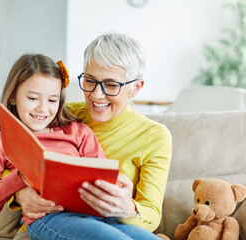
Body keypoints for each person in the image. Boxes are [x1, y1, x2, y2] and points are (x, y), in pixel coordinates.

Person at [12, 33, 172, 240]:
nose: (96, 95)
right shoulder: (61, 114)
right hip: (50, 220)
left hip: (109, 222)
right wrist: (20, 194)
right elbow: (9, 154)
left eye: (111, 85)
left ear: (135, 88)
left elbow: (152, 215)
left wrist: (127, 209)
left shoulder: (154, 136)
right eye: (90, 81)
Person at [0, 53, 107, 228]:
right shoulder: (1, 141)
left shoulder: (78, 132)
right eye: (33, 98)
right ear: (13, 96)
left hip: (94, 217)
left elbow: (102, 181)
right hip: (47, 220)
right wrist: (19, 178)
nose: (43, 108)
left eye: (52, 100)